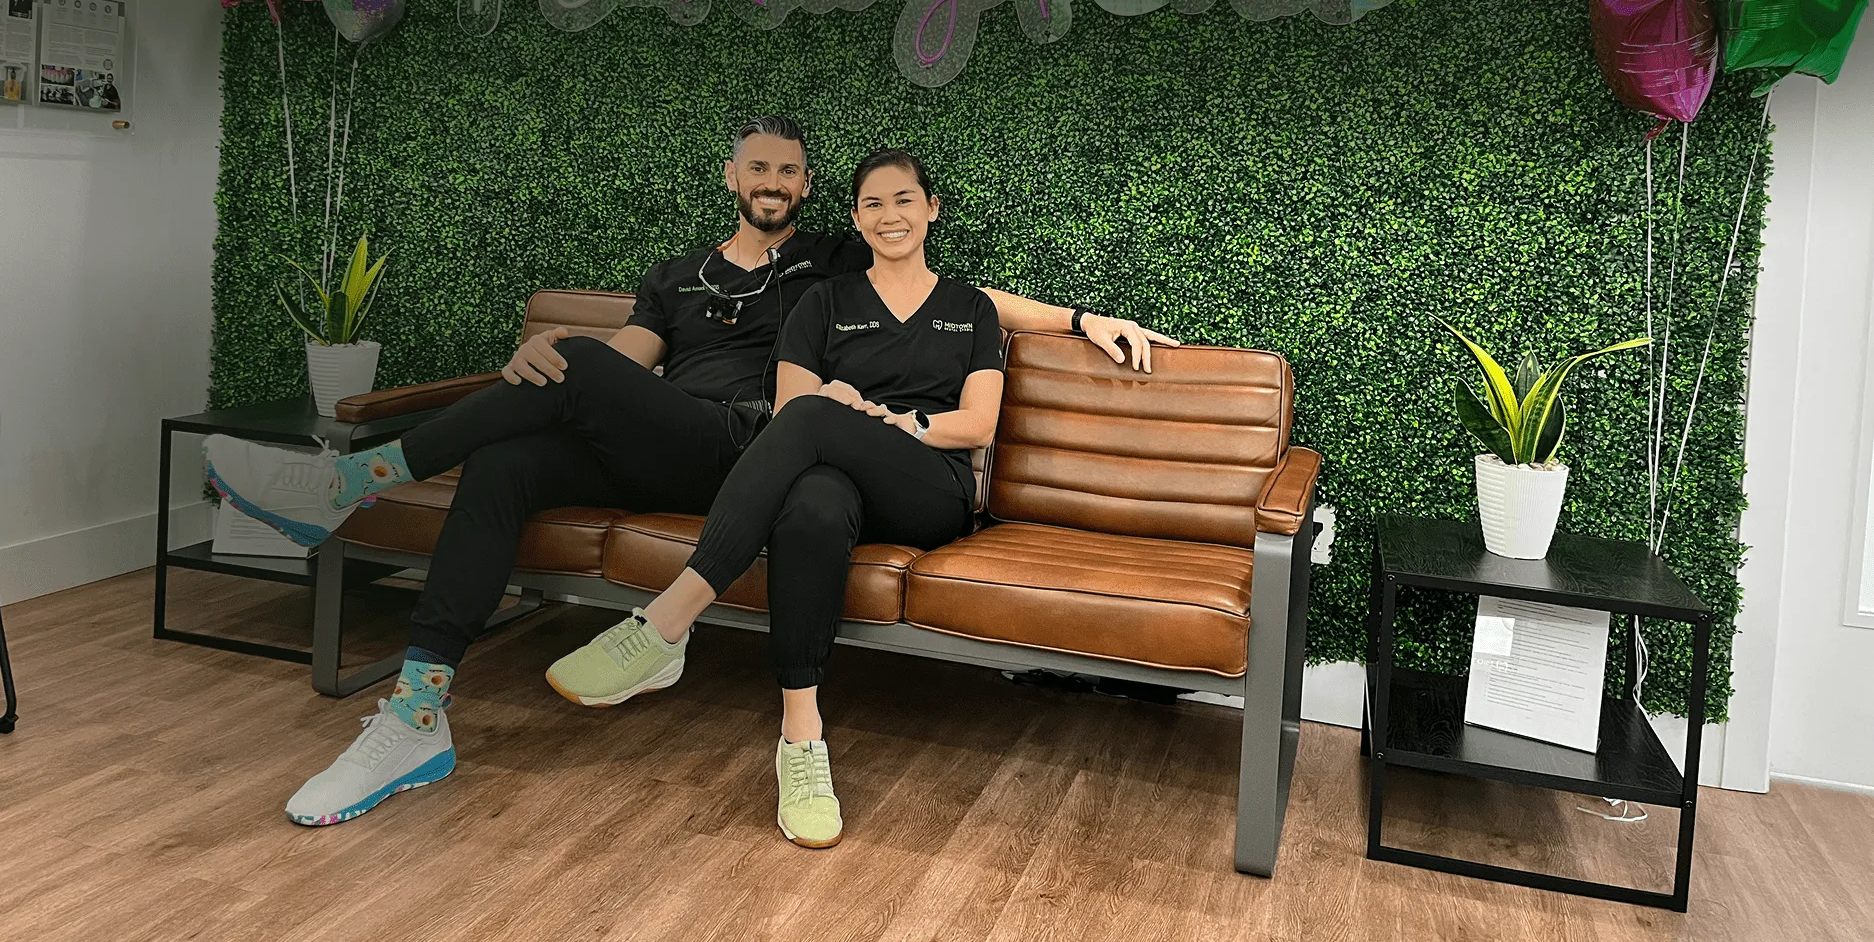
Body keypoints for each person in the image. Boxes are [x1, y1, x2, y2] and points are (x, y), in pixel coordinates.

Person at [202, 116, 1178, 827]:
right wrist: (546, 367)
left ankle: (351, 484)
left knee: (586, 370)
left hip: (749, 446)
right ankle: (418, 714)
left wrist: (1082, 318)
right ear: (731, 175)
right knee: (507, 457)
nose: (774, 183)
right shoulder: (673, 277)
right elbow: (624, 367)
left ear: (808, 188)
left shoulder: (831, 262)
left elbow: (965, 296)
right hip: (664, 443)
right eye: (759, 167)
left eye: (790, 171)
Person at [547, 148, 1003, 847]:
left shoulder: (969, 307)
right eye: (873, 203)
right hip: (837, 471)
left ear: (931, 209)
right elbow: (792, 409)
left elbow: (977, 425)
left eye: (904, 199)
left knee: (818, 419)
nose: (890, 215)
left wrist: (895, 421)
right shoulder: (824, 300)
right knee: (811, 507)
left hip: (927, 482)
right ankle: (801, 740)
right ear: (856, 218)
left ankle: (667, 622)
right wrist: (841, 414)